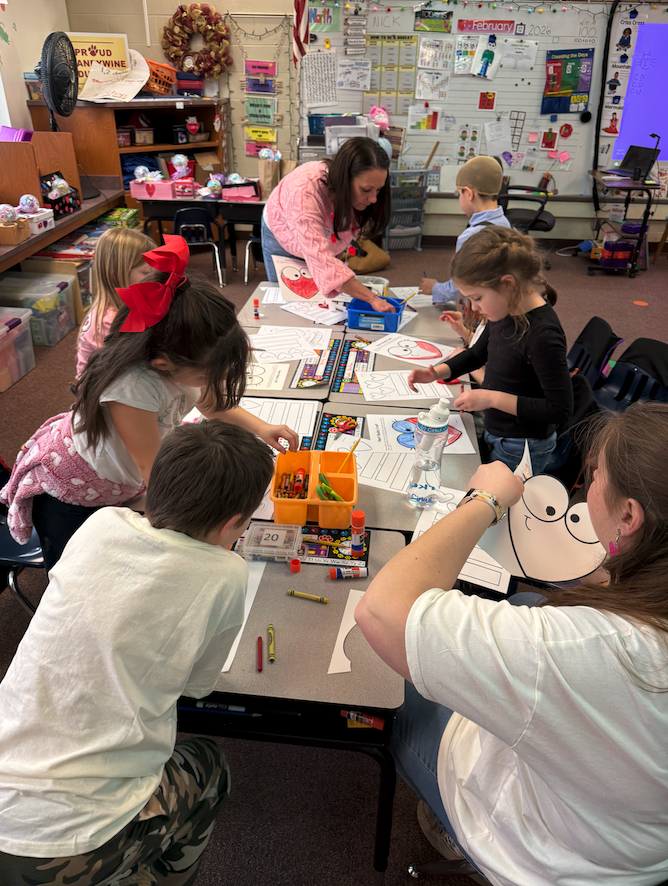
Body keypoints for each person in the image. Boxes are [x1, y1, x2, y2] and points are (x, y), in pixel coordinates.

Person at [355, 401, 668, 886]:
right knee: (525, 604)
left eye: (597, 475)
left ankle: (455, 828)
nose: (587, 488)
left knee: (384, 691)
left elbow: (382, 612)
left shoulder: (586, 649)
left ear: (629, 514)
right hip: (639, 849)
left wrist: (483, 500)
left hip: (549, 854)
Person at [0, 419, 275, 885]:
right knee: (209, 771)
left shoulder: (102, 523)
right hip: (60, 845)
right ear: (234, 523)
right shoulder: (227, 573)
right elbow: (197, 687)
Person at [1, 235, 298, 573]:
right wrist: (199, 533)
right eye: (210, 373)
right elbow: (155, 473)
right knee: (78, 572)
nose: (215, 378)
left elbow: (211, 405)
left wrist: (262, 428)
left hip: (122, 478)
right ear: (162, 364)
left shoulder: (178, 354)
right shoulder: (132, 389)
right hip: (74, 493)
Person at [408, 226, 572, 474]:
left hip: (522, 444)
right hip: (498, 428)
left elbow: (560, 409)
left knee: (501, 507)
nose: (473, 307)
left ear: (508, 284)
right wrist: (437, 372)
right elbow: (476, 354)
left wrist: (491, 397)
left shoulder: (543, 336)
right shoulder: (504, 310)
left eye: (477, 298)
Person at [262, 136, 395, 312]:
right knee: (290, 305)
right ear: (345, 179)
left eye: (378, 190)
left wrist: (336, 259)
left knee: (325, 303)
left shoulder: (353, 192)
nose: (373, 199)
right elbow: (320, 259)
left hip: (320, 232)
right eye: (366, 190)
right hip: (283, 233)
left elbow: (337, 242)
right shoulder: (304, 192)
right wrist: (371, 298)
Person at [419, 155, 511, 307]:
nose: (459, 198)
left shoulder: (470, 236)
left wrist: (435, 288)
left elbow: (461, 286)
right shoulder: (506, 224)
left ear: (469, 193)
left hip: (480, 310)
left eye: (459, 193)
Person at [76, 226, 156, 378]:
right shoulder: (110, 321)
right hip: (102, 389)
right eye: (146, 273)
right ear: (116, 276)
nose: (155, 280)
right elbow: (127, 370)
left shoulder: (132, 302)